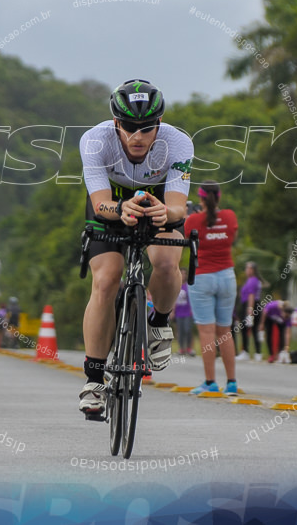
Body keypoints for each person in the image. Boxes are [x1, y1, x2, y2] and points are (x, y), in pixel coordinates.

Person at [77, 79, 193, 417]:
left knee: (169, 262)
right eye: (128, 127)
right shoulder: (95, 141)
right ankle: (94, 380)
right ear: (116, 123)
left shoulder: (178, 143)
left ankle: (158, 322)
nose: (137, 136)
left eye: (146, 128)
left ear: (159, 124)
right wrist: (122, 209)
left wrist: (165, 212)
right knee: (106, 280)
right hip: (111, 206)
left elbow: (178, 208)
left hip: (158, 202)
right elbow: (100, 205)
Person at [185, 181, 240, 395]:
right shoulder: (230, 217)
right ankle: (232, 382)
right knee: (225, 331)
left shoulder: (193, 220)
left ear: (200, 198)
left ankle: (210, 381)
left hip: (203, 277)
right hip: (227, 275)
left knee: (206, 331)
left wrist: (191, 216)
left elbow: (186, 239)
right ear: (219, 195)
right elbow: (231, 237)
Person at [236, 261, 264, 361]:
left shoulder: (252, 280)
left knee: (247, 329)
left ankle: (247, 352)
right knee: (254, 329)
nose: (246, 270)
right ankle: (257, 353)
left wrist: (250, 310)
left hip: (250, 306)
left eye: (248, 268)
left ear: (252, 270)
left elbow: (251, 296)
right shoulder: (253, 280)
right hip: (252, 305)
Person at [259, 299, 295, 363]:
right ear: (282, 311)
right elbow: (264, 312)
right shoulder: (273, 306)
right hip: (269, 317)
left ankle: (280, 354)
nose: (285, 318)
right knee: (269, 335)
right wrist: (262, 324)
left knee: (282, 336)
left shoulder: (288, 318)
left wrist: (287, 347)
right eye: (285, 316)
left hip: (280, 322)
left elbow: (287, 334)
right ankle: (271, 354)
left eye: (287, 317)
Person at [173, 272, 195, 357]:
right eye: (181, 273)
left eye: (184, 274)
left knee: (188, 330)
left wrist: (193, 310)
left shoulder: (189, 287)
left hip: (188, 312)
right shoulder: (176, 286)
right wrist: (172, 312)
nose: (183, 275)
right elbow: (174, 300)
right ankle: (181, 348)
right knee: (180, 331)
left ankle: (189, 348)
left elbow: (192, 299)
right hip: (179, 312)